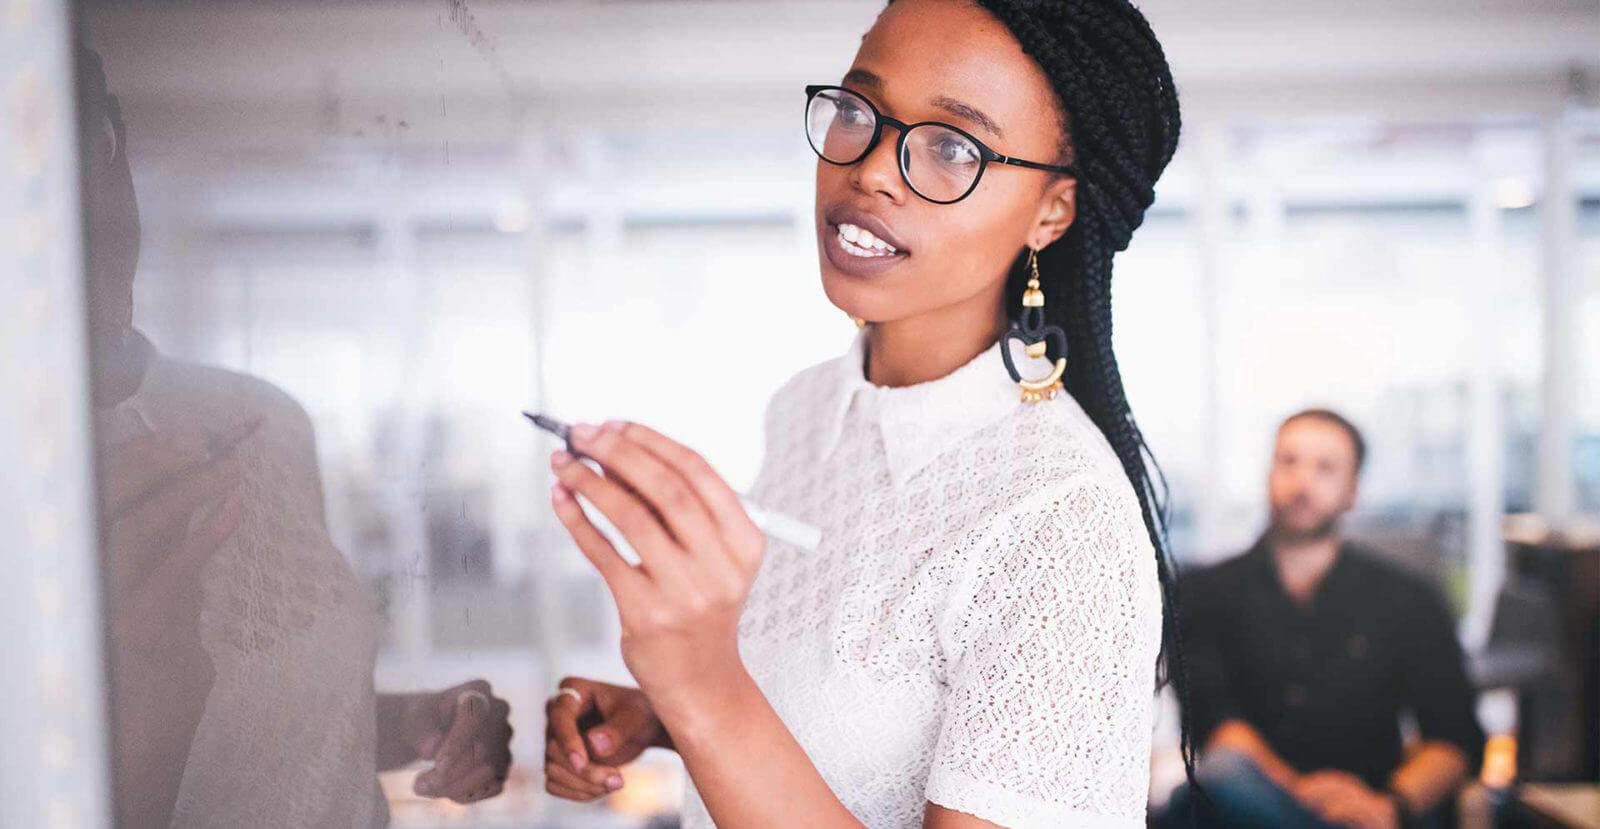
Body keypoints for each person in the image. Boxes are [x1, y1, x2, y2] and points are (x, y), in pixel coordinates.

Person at [540, 1, 1190, 826]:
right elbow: (846, 719)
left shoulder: (1061, 515)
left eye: (953, 146)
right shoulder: (808, 408)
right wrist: (662, 713)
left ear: (1051, 212)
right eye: (858, 110)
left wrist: (702, 686)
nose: (873, 168)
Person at [79, 48, 514, 827]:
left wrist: (418, 720)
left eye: (97, 142)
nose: (84, 202)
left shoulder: (262, 418)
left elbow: (274, 722)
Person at [1161, 409, 1484, 829]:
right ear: (1268, 473)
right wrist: (1306, 800)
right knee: (1214, 784)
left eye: (1326, 468)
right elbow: (1218, 726)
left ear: (1353, 491)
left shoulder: (1408, 599)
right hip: (1244, 804)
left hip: (1373, 803)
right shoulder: (1203, 592)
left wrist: (1389, 805)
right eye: (1289, 461)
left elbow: (1456, 737)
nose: (1302, 483)